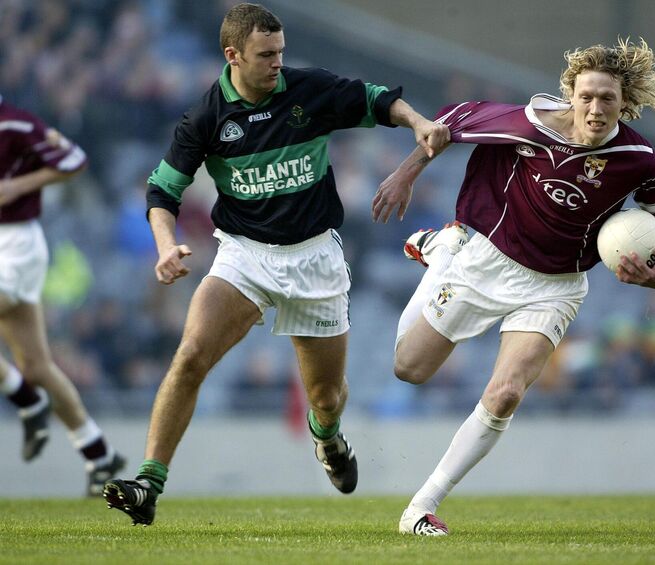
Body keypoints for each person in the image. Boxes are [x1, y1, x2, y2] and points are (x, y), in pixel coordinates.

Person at [103, 2, 449, 526]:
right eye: (266, 55)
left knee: (326, 396)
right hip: (244, 255)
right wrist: (165, 244)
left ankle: (327, 437)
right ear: (233, 55)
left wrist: (419, 122)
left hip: (314, 257)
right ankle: (149, 484)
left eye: (281, 52)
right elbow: (161, 190)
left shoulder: (307, 90)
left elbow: (376, 100)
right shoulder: (204, 118)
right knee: (192, 354)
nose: (277, 63)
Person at [372, 38, 655, 535]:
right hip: (485, 263)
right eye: (587, 96)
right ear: (571, 95)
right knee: (409, 368)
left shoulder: (639, 158)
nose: (596, 108)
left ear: (626, 102)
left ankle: (420, 508)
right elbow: (445, 127)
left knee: (507, 393)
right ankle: (440, 253)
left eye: (607, 98)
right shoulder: (528, 124)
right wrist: (405, 175)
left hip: (555, 286)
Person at [0, 94, 125, 496]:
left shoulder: (17, 124)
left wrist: (20, 183)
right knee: (37, 366)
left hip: (15, 243)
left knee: (31, 374)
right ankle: (99, 453)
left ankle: (23, 397)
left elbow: (73, 159)